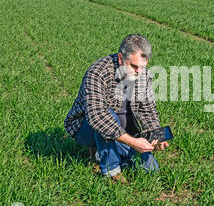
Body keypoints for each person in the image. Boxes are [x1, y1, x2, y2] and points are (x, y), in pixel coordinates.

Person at [64, 34, 169, 181]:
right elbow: (97, 117)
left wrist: (157, 135)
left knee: (150, 171)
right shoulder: (97, 72)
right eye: (134, 66)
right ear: (120, 58)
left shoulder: (143, 74)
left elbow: (148, 109)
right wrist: (132, 142)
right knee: (106, 115)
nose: (139, 72)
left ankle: (103, 153)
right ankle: (111, 170)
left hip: (123, 130)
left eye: (142, 67)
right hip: (85, 127)